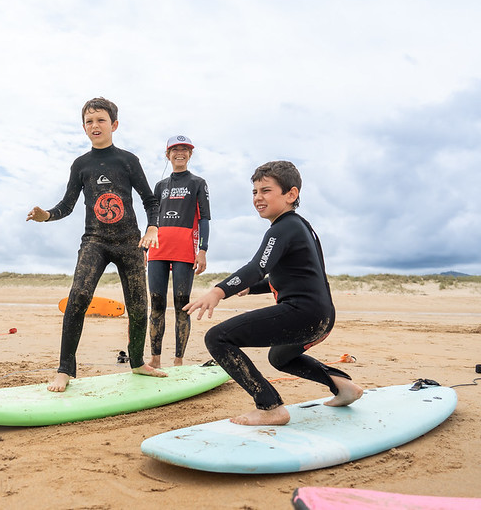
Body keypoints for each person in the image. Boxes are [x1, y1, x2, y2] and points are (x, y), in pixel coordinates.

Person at [184, 161, 362, 425]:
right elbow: (290, 277)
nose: (258, 198)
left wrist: (219, 291)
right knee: (280, 357)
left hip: (302, 314)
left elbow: (257, 267)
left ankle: (270, 407)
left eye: (266, 190)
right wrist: (250, 288)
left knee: (217, 338)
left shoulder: (282, 228)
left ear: (291, 194)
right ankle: (344, 387)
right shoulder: (301, 227)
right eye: (255, 192)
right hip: (321, 316)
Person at [27, 97, 168, 392]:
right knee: (78, 296)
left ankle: (138, 362)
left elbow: (150, 199)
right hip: (95, 241)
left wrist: (152, 227)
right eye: (89, 121)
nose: (95, 125)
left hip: (130, 242)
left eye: (101, 120)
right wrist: (46, 215)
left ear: (113, 125)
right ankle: (65, 370)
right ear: (83, 127)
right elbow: (67, 205)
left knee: (138, 306)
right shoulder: (81, 165)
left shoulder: (128, 161)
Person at [146, 135, 211, 368]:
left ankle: (178, 360)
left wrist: (202, 250)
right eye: (175, 149)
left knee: (182, 305)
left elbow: (204, 218)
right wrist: (145, 246)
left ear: (190, 154)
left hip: (184, 249)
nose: (180, 153)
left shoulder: (198, 183)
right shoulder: (160, 186)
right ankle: (155, 359)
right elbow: (152, 219)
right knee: (156, 304)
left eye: (184, 149)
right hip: (157, 249)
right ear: (168, 155)